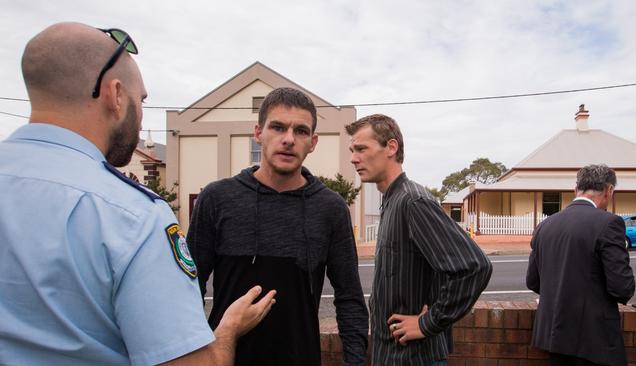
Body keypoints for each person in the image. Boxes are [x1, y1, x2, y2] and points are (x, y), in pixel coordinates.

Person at [0, 22, 275, 366]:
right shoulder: (132, 216)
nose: (141, 113)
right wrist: (228, 330)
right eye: (140, 99)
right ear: (115, 95)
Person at [187, 87, 369, 366]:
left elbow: (350, 299)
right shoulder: (217, 199)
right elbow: (188, 290)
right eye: (278, 127)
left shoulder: (330, 209)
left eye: (300, 131)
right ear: (258, 133)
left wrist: (355, 362)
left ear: (313, 142)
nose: (288, 139)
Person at [346, 114, 492, 366]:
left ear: (391, 147)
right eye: (352, 150)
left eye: (361, 148)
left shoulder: (413, 201)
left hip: (414, 358)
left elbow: (474, 267)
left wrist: (427, 323)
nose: (353, 158)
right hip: (393, 356)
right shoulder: (391, 200)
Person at [526, 164, 635, 366]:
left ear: (575, 189)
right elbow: (622, 287)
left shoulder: (545, 225)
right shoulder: (609, 223)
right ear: (609, 190)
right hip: (595, 340)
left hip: (554, 337)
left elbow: (533, 281)